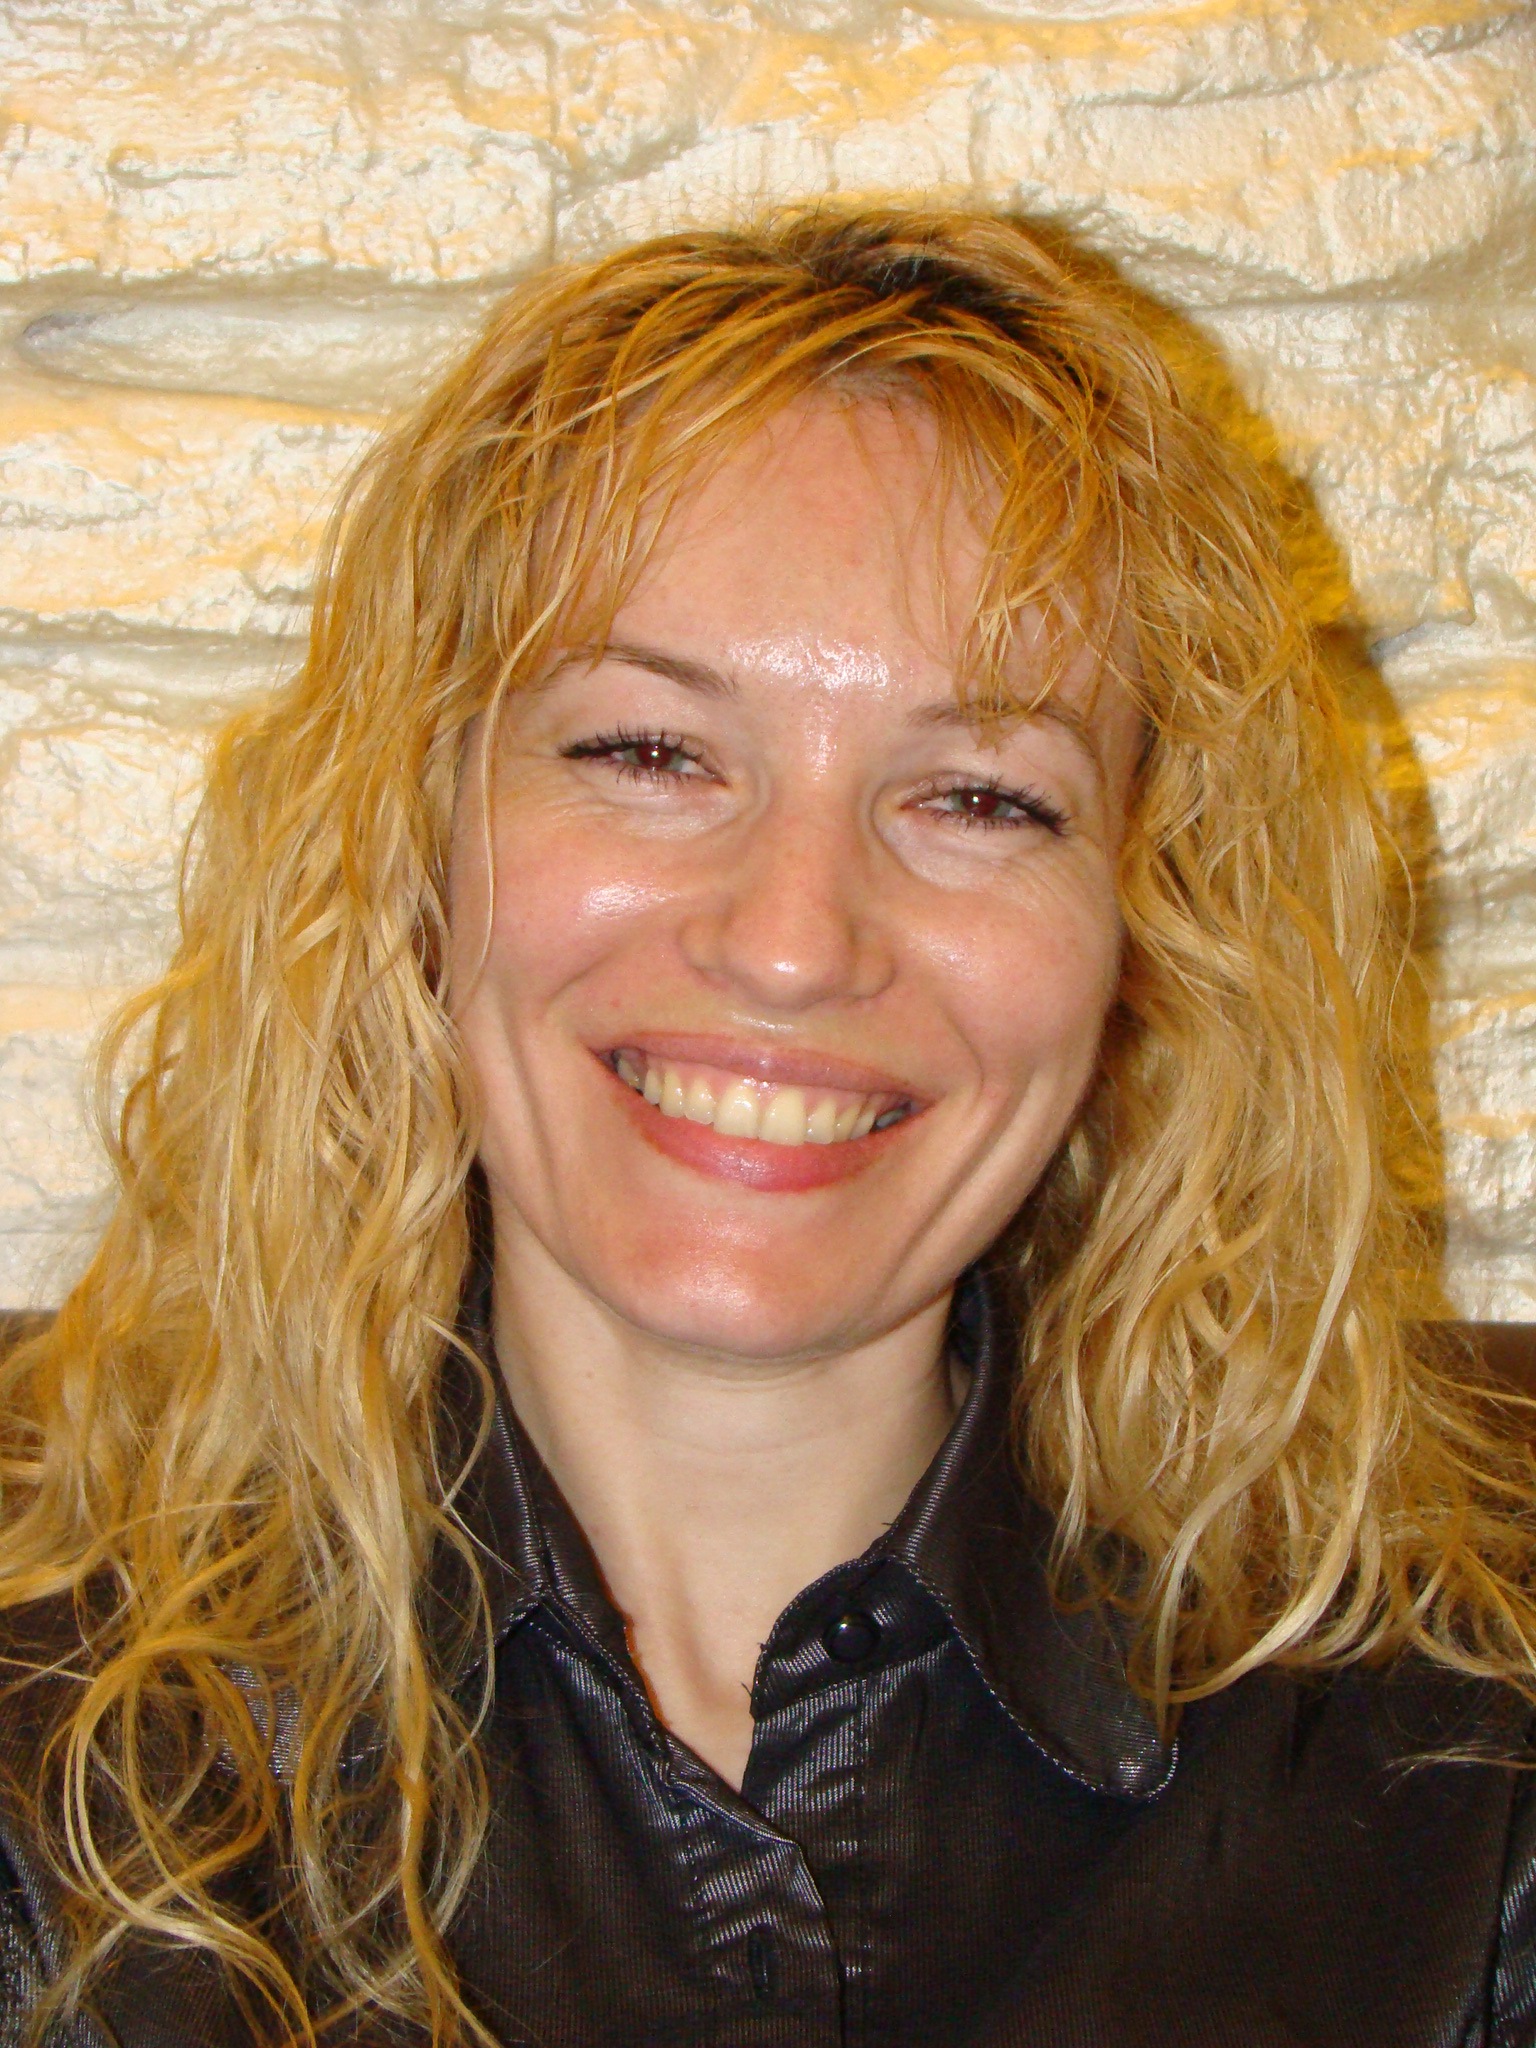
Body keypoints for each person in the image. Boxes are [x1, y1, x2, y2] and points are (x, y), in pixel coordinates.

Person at [0, 205, 1534, 2048]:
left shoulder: (1471, 1778)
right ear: (411, 839)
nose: (795, 942)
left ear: (1153, 921)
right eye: (649, 753)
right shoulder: (40, 1753)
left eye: (978, 796)